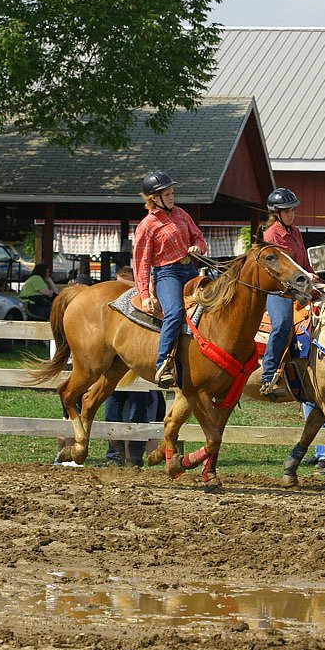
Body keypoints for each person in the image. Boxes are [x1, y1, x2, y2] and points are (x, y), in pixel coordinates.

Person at [133, 170, 207, 388]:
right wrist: (145, 295)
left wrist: (198, 247)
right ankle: (163, 363)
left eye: (172, 192)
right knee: (174, 312)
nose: (172, 196)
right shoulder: (147, 226)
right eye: (167, 194)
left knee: (213, 302)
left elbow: (198, 237)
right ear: (154, 198)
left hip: (189, 269)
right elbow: (141, 262)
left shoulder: (181, 214)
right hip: (167, 273)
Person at [104, 265, 165, 467]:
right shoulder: (116, 309)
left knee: (138, 410)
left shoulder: (144, 305)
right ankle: (115, 455)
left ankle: (134, 456)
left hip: (137, 365)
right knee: (113, 409)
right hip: (118, 364)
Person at [260, 188, 319, 395]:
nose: (291, 214)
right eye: (287, 211)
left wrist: (312, 275)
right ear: (276, 213)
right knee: (282, 323)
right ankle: (268, 374)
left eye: (293, 210)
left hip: (300, 287)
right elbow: (279, 269)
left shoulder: (295, 232)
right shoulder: (271, 235)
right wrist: (304, 274)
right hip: (279, 290)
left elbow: (303, 262)